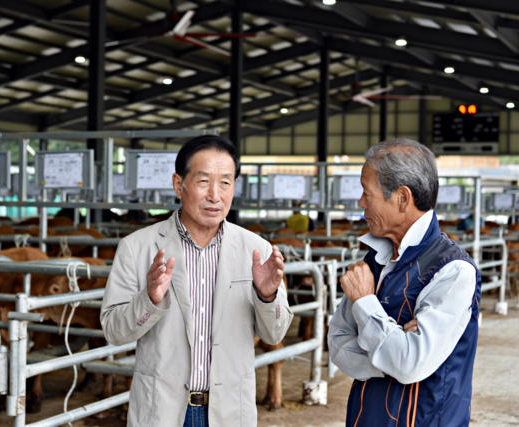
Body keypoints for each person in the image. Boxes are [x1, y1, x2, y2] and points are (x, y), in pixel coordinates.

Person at [101, 135, 293, 427]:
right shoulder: (136, 247)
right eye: (203, 181)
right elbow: (114, 332)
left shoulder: (257, 250)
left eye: (226, 182)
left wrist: (267, 297)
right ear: (179, 185)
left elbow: (275, 335)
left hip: (229, 411)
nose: (215, 195)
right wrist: (150, 300)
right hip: (162, 410)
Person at [328, 138, 481, 427]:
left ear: (402, 198)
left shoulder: (453, 271)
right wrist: (393, 349)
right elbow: (336, 343)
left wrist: (364, 304)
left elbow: (411, 365)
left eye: (366, 192)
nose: (361, 203)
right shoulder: (374, 258)